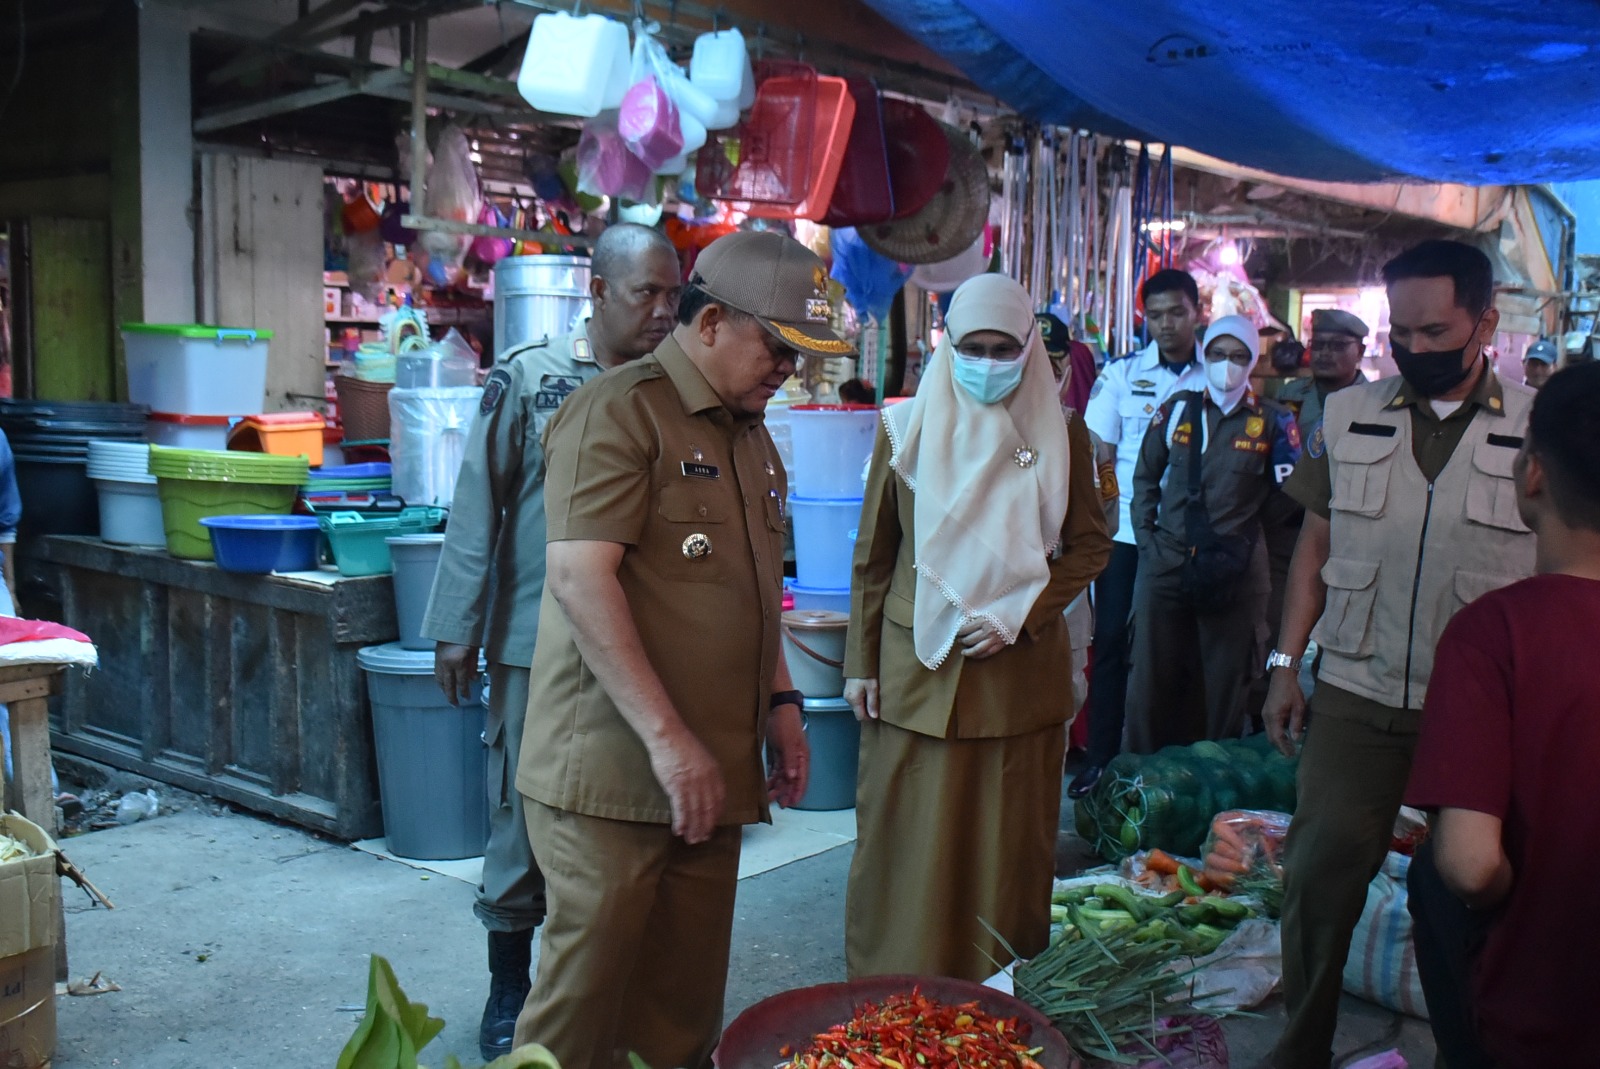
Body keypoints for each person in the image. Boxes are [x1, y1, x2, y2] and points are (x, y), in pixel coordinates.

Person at [510, 230, 844, 1069]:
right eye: (777, 346)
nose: (787, 370)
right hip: (617, 776)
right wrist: (669, 740)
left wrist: (783, 703)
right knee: (580, 1015)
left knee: (680, 1012)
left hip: (711, 775)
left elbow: (754, 590)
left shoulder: (753, 436)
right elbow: (581, 579)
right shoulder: (618, 411)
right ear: (710, 324)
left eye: (800, 355)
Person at [1262, 240, 1537, 1069]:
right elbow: (1315, 544)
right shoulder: (1348, 416)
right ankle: (1300, 1046)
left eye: (1435, 329)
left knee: (1477, 894)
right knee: (1317, 879)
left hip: (1485, 709)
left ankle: (1475, 1051)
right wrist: (1286, 664)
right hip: (1355, 691)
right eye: (1402, 333)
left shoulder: (1536, 427)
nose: (1415, 349)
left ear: (1485, 321)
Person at [420, 223, 682, 1061]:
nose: (665, 311)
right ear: (598, 292)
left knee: (623, 816)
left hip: (639, 648)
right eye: (649, 293)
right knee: (521, 816)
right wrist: (458, 624)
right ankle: (509, 986)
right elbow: (477, 506)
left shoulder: (672, 386)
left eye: (675, 294)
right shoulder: (530, 379)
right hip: (538, 641)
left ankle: (614, 981)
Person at [843, 274, 1111, 982]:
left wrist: (1019, 613)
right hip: (914, 668)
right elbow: (875, 555)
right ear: (948, 344)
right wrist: (858, 662)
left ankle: (994, 1005)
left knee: (1003, 853)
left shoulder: (1062, 434)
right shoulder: (905, 427)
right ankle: (891, 997)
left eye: (1003, 348)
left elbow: (1089, 545)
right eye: (973, 347)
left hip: (1016, 679)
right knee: (906, 846)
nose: (988, 363)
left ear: (1030, 347)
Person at [1404, 363, 1600, 1068]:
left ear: (1534, 473)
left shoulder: (1497, 634)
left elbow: (1469, 863)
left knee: (1431, 872)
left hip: (1534, 1012)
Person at [1123, 317, 1299, 752]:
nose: (1227, 366)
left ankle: (1210, 787)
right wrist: (1148, 544)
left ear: (1253, 362)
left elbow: (1287, 498)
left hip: (1234, 572)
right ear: (1204, 355)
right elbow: (1145, 479)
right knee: (1148, 681)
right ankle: (1140, 782)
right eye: (1219, 355)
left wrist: (1245, 538)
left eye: (1239, 357)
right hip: (1166, 563)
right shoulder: (1176, 409)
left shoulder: (1273, 422)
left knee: (1226, 686)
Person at [1070, 269, 1208, 798]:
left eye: (1176, 312)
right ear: (1143, 318)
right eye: (1155, 315)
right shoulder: (1123, 374)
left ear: (1196, 312)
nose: (1166, 324)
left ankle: (1170, 760)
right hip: (1126, 531)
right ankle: (1101, 759)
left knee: (1175, 647)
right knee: (1109, 643)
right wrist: (1104, 515)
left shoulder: (1212, 375)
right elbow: (1098, 447)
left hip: (1187, 537)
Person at [1261, 311, 1369, 664]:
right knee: (1275, 623)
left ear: (1361, 351)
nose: (1324, 353)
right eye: (1318, 345)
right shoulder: (1289, 396)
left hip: (1346, 532)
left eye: (1337, 346)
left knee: (1339, 632)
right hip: (1287, 528)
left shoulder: (1376, 405)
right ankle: (1265, 705)